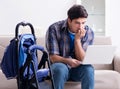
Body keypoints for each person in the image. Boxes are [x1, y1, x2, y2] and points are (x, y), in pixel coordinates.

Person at [46, 4, 94, 89]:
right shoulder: (54, 29)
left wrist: (77, 40)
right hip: (60, 66)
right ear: (69, 20)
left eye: (83, 23)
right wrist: (68, 61)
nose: (81, 27)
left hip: (78, 69)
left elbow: (83, 59)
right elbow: (53, 57)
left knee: (88, 69)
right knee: (59, 69)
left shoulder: (89, 32)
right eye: (77, 23)